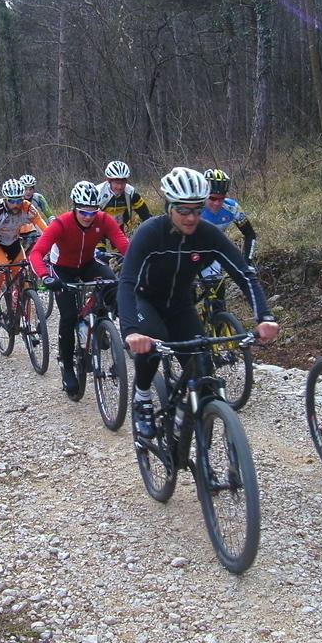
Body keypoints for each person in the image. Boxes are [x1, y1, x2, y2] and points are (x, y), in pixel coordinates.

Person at [119, 167, 279, 439]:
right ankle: (142, 396)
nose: (191, 217)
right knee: (153, 337)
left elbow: (243, 274)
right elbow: (126, 282)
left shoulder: (208, 234)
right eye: (183, 210)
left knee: (204, 372)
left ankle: (185, 422)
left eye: (197, 210)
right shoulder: (150, 233)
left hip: (181, 305)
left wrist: (264, 316)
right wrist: (131, 331)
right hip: (145, 300)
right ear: (169, 206)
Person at [29, 181, 130, 393]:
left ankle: (104, 326)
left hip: (87, 263)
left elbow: (124, 245)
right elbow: (36, 253)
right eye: (83, 212)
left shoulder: (103, 219)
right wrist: (45, 277)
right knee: (69, 316)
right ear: (74, 208)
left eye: (92, 212)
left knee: (114, 287)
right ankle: (67, 367)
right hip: (62, 268)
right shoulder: (61, 224)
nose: (88, 217)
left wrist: (136, 267)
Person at [0, 178, 49, 315]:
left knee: (23, 279)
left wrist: (53, 250)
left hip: (13, 242)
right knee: (2, 266)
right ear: (5, 199)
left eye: (19, 200)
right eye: (12, 201)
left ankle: (27, 319)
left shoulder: (27, 208)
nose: (16, 204)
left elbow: (45, 230)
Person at [198, 168, 258, 310]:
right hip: (189, 251)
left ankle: (217, 318)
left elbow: (250, 235)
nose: (217, 203)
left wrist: (247, 261)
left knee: (218, 296)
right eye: (212, 198)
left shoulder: (232, 208)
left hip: (212, 253)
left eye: (221, 198)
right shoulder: (194, 208)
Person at [95, 160, 152, 236]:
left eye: (123, 183)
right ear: (109, 180)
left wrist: (153, 228)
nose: (120, 187)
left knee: (126, 244)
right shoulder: (98, 192)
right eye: (117, 183)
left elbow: (145, 215)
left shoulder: (130, 192)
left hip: (117, 228)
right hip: (99, 228)